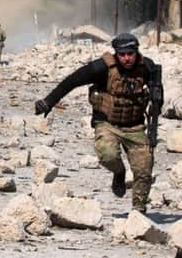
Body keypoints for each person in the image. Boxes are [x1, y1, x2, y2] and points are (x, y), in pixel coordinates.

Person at [34, 33, 163, 213]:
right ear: (116, 54)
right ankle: (119, 173)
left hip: (135, 126)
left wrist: (158, 97)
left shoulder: (147, 67)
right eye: (122, 54)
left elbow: (157, 95)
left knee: (144, 171)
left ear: (136, 52)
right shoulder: (102, 68)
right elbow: (72, 81)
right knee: (108, 155)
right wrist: (49, 101)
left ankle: (138, 212)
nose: (127, 58)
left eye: (131, 54)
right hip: (107, 124)